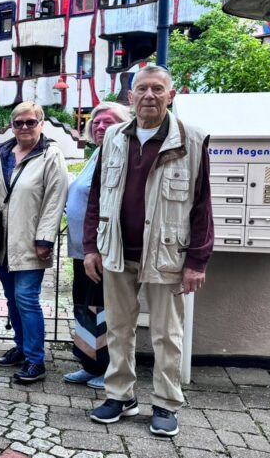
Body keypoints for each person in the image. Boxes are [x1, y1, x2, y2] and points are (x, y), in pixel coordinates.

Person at [84, 65, 213, 438]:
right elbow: (97, 195)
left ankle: (165, 403)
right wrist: (92, 246)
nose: (149, 96)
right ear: (130, 97)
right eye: (142, 89)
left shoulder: (192, 141)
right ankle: (120, 396)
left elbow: (203, 205)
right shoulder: (113, 137)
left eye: (158, 89)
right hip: (117, 250)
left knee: (166, 333)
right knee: (119, 328)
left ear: (171, 95)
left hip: (168, 253)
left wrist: (197, 261)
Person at [0, 101, 68, 385]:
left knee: (27, 298)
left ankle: (36, 359)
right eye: (19, 123)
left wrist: (45, 238)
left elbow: (55, 199)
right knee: (12, 298)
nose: (24, 127)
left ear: (41, 124)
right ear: (12, 125)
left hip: (32, 241)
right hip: (3, 242)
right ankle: (21, 347)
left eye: (30, 122)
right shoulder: (0, 153)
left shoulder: (50, 155)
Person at [63, 101, 130, 389]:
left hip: (103, 251)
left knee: (106, 310)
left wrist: (100, 249)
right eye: (97, 122)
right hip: (83, 251)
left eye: (110, 121)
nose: (102, 127)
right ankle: (90, 364)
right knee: (86, 307)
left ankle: (109, 369)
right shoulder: (98, 154)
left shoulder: (123, 155)